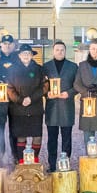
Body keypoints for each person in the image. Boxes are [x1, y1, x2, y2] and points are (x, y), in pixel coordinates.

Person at [7, 44, 45, 163]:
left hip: (35, 107)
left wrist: (31, 98)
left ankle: (35, 159)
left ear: (32, 55)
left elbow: (44, 87)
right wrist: (20, 100)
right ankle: (21, 160)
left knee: (37, 136)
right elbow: (9, 88)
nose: (26, 56)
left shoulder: (39, 69)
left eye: (28, 54)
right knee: (21, 136)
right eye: (23, 54)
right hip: (18, 108)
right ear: (19, 55)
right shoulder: (12, 69)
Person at [43, 41, 78, 171]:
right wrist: (47, 93)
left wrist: (68, 93)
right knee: (52, 139)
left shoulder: (73, 67)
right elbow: (41, 85)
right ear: (53, 51)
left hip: (66, 108)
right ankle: (52, 165)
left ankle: (65, 163)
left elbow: (77, 86)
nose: (59, 52)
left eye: (62, 50)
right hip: (52, 108)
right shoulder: (46, 67)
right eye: (57, 50)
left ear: (65, 51)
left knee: (67, 139)